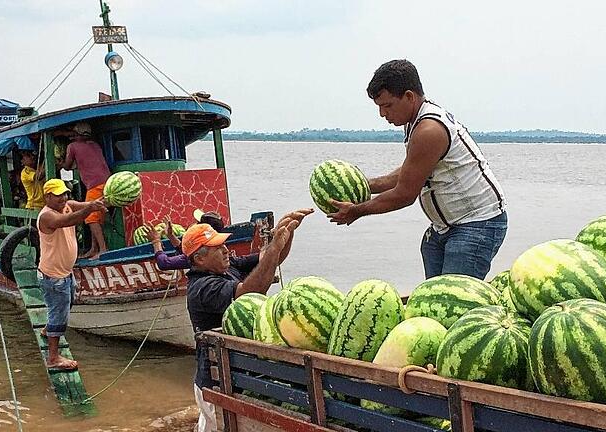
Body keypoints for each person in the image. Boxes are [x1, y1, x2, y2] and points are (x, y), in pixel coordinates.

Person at [328, 59, 507, 280]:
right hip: (445, 226)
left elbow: (405, 195)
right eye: (379, 107)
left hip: (477, 223)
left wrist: (358, 210)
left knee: (453, 300)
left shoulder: (429, 130)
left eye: (387, 106)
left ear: (409, 97)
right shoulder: (415, 122)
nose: (383, 114)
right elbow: (410, 170)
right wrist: (363, 185)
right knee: (431, 296)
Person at [184, 208, 313, 432]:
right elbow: (251, 293)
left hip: (233, 377)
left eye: (224, 244)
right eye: (218, 248)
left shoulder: (228, 267)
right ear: (200, 258)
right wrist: (274, 246)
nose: (226, 250)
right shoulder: (202, 288)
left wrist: (286, 233)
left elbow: (270, 259)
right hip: (215, 383)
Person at [37, 179, 107, 370]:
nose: (64, 198)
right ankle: (53, 358)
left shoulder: (67, 206)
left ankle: (47, 329)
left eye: (65, 194)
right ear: (48, 197)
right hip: (54, 276)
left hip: (66, 272)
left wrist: (104, 201)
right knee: (59, 315)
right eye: (59, 195)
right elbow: (70, 220)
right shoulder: (46, 216)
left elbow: (85, 205)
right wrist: (91, 208)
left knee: (67, 304)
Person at [62, 122, 111, 259]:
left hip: (95, 185)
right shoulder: (95, 145)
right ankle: (94, 249)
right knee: (96, 217)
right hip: (107, 183)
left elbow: (67, 166)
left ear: (76, 134)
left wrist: (61, 163)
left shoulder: (72, 146)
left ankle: (103, 250)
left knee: (91, 219)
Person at [145, 211, 226, 271]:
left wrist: (156, 241)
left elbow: (164, 263)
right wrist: (171, 235)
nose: (194, 224)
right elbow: (185, 253)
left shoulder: (201, 253)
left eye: (198, 223)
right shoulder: (215, 246)